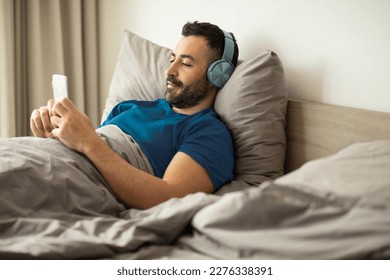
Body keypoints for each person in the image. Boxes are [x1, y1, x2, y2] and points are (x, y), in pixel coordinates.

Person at [30, 21, 239, 209]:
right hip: (55, 161)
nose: (169, 72)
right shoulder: (129, 107)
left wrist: (88, 141)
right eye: (172, 60)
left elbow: (169, 198)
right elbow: (95, 156)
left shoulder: (208, 132)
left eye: (185, 64)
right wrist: (55, 136)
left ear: (217, 75)